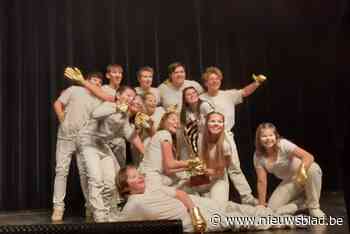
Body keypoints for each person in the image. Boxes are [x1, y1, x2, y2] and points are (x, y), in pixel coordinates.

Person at [113, 165, 303, 232]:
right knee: (235, 221)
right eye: (133, 177)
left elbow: (179, 193)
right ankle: (282, 219)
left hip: (196, 206)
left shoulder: (152, 187)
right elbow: (114, 226)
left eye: (138, 174)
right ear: (125, 186)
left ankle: (274, 213)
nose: (139, 177)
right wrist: (195, 217)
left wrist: (194, 210)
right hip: (193, 222)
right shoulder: (133, 205)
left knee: (231, 206)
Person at [199, 66, 265, 205]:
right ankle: (205, 194)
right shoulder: (201, 98)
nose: (215, 81)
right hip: (207, 138)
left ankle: (247, 197)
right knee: (206, 166)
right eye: (211, 79)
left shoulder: (228, 95)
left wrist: (257, 83)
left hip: (225, 135)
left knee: (234, 167)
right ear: (206, 82)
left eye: (217, 79)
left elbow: (245, 92)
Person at [78, 86, 145, 222]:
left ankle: (108, 212)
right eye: (127, 95)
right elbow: (95, 114)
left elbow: (130, 135)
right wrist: (116, 107)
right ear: (118, 95)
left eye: (132, 96)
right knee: (96, 179)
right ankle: (99, 215)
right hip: (87, 141)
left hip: (102, 145)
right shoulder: (109, 105)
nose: (130, 98)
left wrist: (138, 129)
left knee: (110, 182)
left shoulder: (125, 115)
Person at [51, 72, 104, 222]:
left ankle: (90, 207)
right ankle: (58, 207)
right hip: (66, 136)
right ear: (87, 81)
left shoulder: (99, 99)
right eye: (95, 81)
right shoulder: (74, 90)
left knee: (85, 173)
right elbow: (57, 103)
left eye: (100, 83)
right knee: (61, 171)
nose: (97, 84)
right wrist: (62, 118)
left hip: (85, 139)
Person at [253, 122, 325, 217]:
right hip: (290, 181)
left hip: (303, 174)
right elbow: (261, 181)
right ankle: (303, 203)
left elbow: (309, 157)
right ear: (258, 139)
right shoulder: (258, 156)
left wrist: (300, 176)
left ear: (276, 136)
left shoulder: (283, 144)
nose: (268, 139)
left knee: (313, 168)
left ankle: (314, 207)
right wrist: (261, 205)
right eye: (264, 136)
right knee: (272, 209)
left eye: (271, 135)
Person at [194, 112, 257, 204]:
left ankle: (248, 198)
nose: (216, 124)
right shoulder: (200, 138)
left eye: (219, 122)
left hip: (218, 176)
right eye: (212, 121)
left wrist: (210, 171)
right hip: (204, 177)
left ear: (223, 125)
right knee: (187, 190)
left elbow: (226, 170)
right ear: (206, 123)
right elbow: (199, 162)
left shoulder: (226, 144)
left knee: (217, 206)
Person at [101, 64, 127, 169]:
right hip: (105, 139)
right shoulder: (103, 89)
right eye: (115, 72)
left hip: (119, 139)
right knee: (107, 171)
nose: (118, 75)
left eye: (120, 73)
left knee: (120, 172)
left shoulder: (124, 91)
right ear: (108, 75)